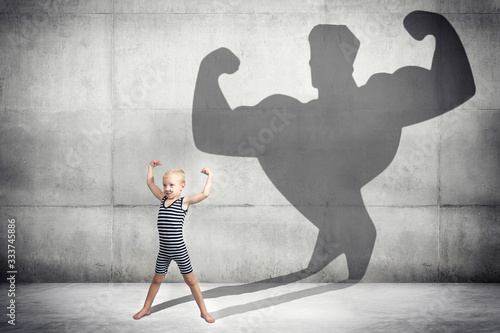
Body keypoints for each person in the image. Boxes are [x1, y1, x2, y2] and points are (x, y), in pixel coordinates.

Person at [133, 159, 215, 323]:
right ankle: (146, 307)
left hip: (179, 250)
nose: (167, 189)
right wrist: (150, 167)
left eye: (171, 185)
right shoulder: (163, 199)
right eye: (165, 185)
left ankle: (204, 312)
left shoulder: (183, 202)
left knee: (190, 281)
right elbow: (150, 184)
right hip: (163, 251)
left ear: (182, 187)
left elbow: (205, 194)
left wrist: (210, 175)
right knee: (157, 279)